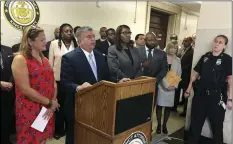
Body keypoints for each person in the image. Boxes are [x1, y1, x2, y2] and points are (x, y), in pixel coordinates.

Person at [60, 26, 127, 144]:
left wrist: (118, 81)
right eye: (89, 37)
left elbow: (106, 78)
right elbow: (65, 83)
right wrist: (78, 87)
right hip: (78, 106)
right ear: (79, 41)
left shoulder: (100, 56)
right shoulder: (69, 58)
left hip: (98, 105)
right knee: (75, 137)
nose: (93, 40)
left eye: (93, 37)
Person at [11, 25, 60, 144]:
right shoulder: (20, 59)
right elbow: (25, 89)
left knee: (43, 138)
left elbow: (53, 82)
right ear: (30, 41)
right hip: (30, 108)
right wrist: (49, 103)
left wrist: (52, 103)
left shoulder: (45, 60)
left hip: (47, 108)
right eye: (42, 39)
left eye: (45, 39)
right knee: (30, 140)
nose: (45, 42)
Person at [184, 35, 232, 144]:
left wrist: (230, 99)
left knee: (217, 128)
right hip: (200, 95)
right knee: (195, 126)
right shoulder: (205, 57)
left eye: (220, 42)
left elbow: (230, 80)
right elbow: (195, 74)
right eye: (215, 41)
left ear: (224, 46)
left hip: (216, 98)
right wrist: (188, 88)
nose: (216, 44)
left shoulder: (227, 59)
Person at [49, 23, 78, 139]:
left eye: (71, 31)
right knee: (59, 106)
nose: (69, 33)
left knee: (71, 105)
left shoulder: (76, 44)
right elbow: (50, 63)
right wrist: (51, 81)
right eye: (66, 31)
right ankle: (59, 130)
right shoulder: (54, 44)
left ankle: (70, 128)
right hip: (58, 81)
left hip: (72, 81)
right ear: (61, 33)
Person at [155, 41, 182, 134]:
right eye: (171, 48)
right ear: (168, 48)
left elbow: (179, 74)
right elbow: (159, 73)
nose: (173, 50)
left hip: (172, 87)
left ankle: (164, 125)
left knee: (168, 107)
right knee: (159, 106)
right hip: (162, 86)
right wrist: (166, 85)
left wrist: (174, 85)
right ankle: (158, 125)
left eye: (175, 48)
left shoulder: (178, 60)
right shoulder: (162, 58)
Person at [172, 37, 194, 116]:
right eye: (184, 41)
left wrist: (180, 69)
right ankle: (174, 106)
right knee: (176, 90)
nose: (184, 42)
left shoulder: (192, 52)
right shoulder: (182, 50)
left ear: (191, 42)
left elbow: (189, 65)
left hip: (185, 75)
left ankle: (185, 111)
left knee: (185, 93)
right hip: (178, 74)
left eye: (186, 41)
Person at [0, 45, 14, 144]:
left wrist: (11, 82)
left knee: (6, 119)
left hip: (8, 92)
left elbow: (15, 69)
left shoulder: (8, 50)